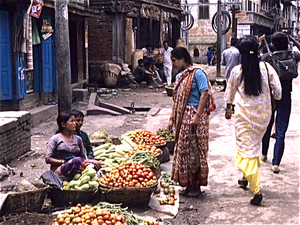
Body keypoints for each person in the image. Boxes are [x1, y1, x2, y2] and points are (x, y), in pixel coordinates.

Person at [224, 35, 282, 205]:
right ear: (257, 51)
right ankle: (244, 178)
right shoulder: (267, 68)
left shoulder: (237, 71)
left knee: (245, 150)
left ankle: (256, 190)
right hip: (264, 117)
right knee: (253, 146)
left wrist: (229, 110)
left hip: (244, 118)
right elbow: (277, 91)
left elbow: (229, 94)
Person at [168, 47, 214, 197]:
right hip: (183, 118)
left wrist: (197, 116)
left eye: (174, 61)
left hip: (195, 118)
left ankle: (196, 186)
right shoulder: (180, 76)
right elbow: (177, 101)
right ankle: (187, 184)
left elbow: (204, 94)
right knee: (184, 151)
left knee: (196, 150)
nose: (173, 64)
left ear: (182, 59)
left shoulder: (198, 73)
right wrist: (171, 119)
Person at [260, 32, 300, 173]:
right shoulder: (293, 56)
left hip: (270, 97)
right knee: (281, 130)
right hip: (286, 96)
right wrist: (292, 39)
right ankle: (276, 163)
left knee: (267, 126)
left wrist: (260, 43)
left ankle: (264, 153)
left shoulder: (267, 58)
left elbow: (252, 59)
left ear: (273, 44)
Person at [45, 111, 87, 179]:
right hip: (59, 170)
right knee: (76, 160)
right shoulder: (55, 139)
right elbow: (48, 159)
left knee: (96, 163)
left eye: (74, 121)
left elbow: (83, 157)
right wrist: (64, 162)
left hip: (76, 169)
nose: (75, 123)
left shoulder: (78, 139)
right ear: (63, 124)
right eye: (72, 121)